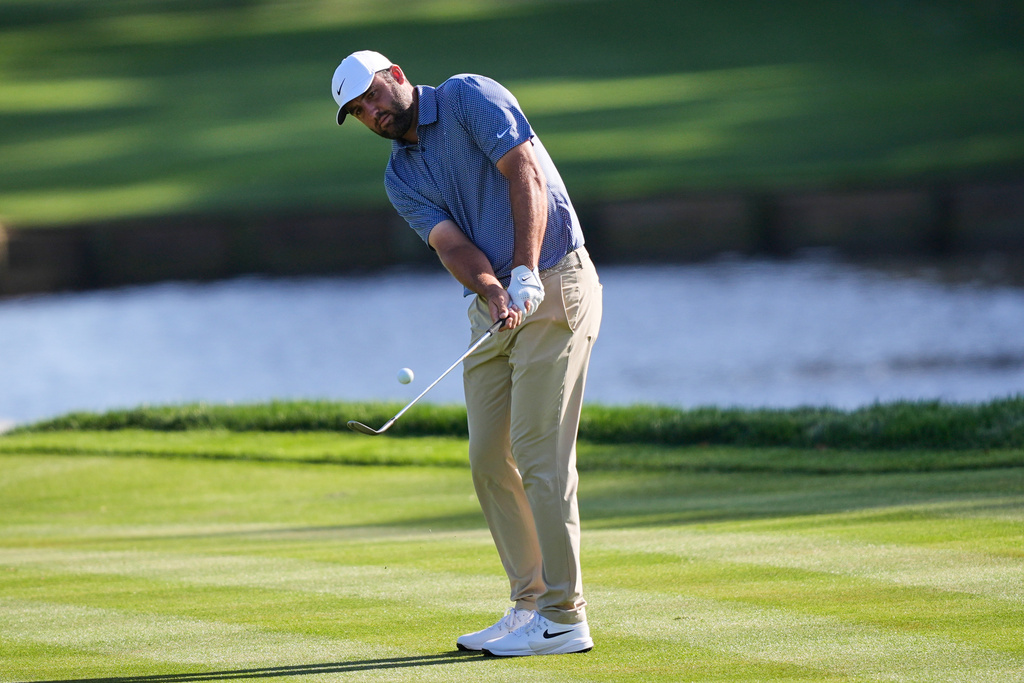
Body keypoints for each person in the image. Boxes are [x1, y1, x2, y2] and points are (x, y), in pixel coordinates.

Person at [331, 50, 602, 658]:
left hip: (555, 279)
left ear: (397, 77)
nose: (373, 113)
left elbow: (524, 172)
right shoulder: (399, 177)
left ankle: (565, 617)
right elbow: (451, 244)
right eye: (359, 112)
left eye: (373, 95)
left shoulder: (466, 96)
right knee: (487, 458)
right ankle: (529, 603)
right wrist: (494, 289)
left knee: (539, 453)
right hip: (493, 305)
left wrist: (524, 270)